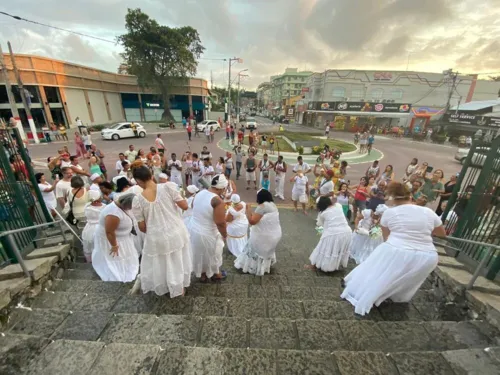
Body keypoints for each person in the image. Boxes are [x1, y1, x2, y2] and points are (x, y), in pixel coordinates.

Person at [341, 182, 446, 316]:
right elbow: (442, 234)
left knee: (380, 274)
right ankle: (393, 299)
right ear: (411, 195)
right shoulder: (428, 211)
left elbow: (386, 237)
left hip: (397, 249)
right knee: (405, 280)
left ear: (392, 198)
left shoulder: (389, 213)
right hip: (428, 255)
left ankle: (375, 296)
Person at [130, 164, 192, 297]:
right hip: (175, 231)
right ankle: (179, 289)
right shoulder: (168, 187)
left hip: (156, 236)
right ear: (151, 175)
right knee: (177, 260)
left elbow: (142, 227)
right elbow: (185, 206)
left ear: (138, 181)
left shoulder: (137, 200)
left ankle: (167, 287)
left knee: (163, 263)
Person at [189, 174, 229, 281]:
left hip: (194, 229)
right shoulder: (217, 201)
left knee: (200, 254)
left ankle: (202, 275)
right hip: (208, 234)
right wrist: (225, 235)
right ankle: (216, 274)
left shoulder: (200, 193)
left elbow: (193, 206)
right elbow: (220, 222)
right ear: (223, 188)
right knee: (213, 255)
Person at [92, 194, 139, 282]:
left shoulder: (121, 207)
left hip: (123, 238)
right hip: (112, 240)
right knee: (114, 259)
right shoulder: (113, 213)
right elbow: (109, 232)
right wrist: (114, 246)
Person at [234, 189, 282, 275]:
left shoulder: (262, 207)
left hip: (265, 236)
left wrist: (248, 209)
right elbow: (259, 218)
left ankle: (253, 267)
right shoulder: (273, 205)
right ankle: (265, 266)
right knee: (266, 251)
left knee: (253, 248)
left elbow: (252, 222)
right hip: (275, 234)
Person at [306, 196, 352, 272]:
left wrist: (322, 235)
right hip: (347, 232)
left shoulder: (323, 214)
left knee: (322, 248)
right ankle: (333, 266)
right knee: (338, 250)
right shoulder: (338, 206)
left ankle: (313, 266)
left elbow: (320, 225)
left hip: (333, 233)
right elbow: (335, 199)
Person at [82, 190, 104, 262]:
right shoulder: (104, 207)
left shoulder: (87, 206)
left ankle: (91, 260)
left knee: (89, 243)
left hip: (89, 228)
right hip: (101, 228)